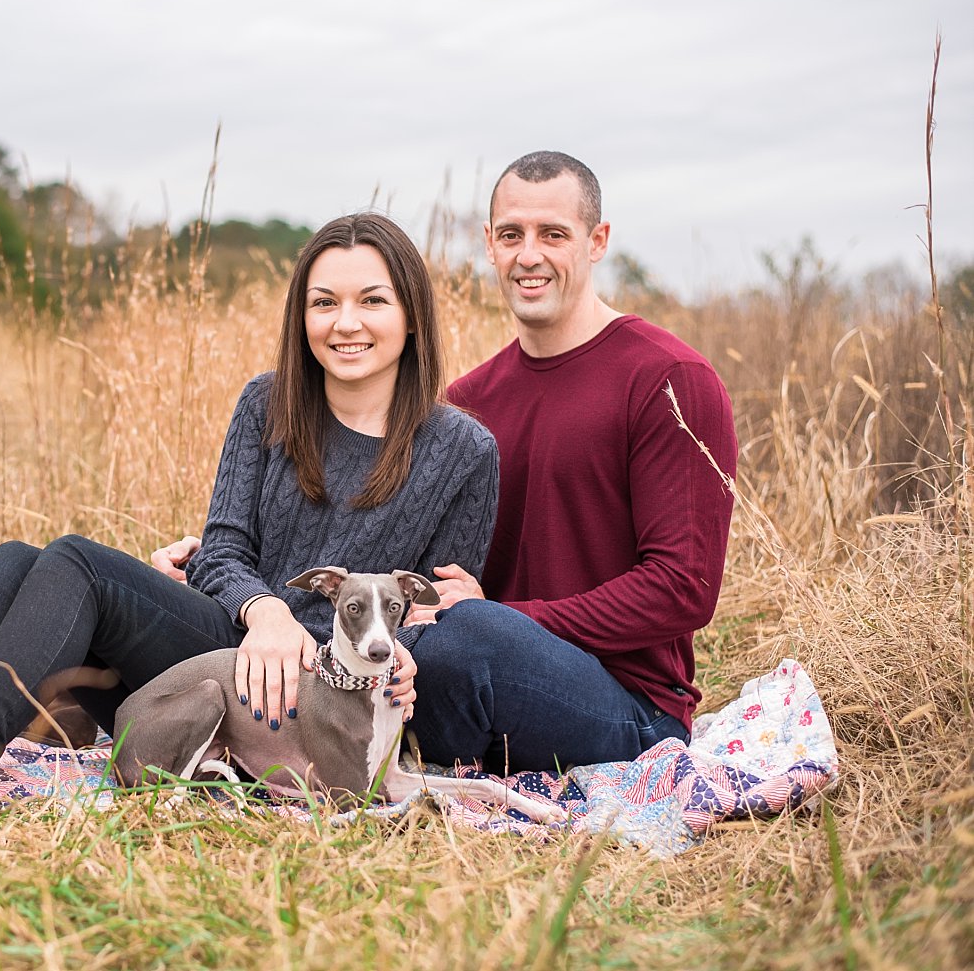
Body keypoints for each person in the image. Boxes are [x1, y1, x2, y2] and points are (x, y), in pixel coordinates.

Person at [0, 212, 502, 825]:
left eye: (372, 300)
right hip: (230, 649)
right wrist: (263, 610)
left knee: (78, 560)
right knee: (19, 557)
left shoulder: (463, 451)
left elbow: (439, 610)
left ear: (411, 314)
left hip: (310, 698)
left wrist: (401, 655)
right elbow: (224, 548)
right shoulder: (269, 402)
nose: (346, 322)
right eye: (323, 301)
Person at [156, 151, 737, 775]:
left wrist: (501, 615)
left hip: (623, 703)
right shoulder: (467, 407)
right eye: (512, 235)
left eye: (554, 235)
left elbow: (685, 589)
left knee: (464, 641)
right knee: (414, 655)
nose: (529, 254)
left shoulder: (669, 380)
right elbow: (401, 579)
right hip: (466, 665)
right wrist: (227, 575)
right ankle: (319, 754)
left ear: (597, 242)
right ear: (489, 244)